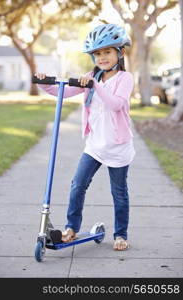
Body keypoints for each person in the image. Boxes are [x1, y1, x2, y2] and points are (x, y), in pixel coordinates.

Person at [35, 24, 135, 251]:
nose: (102, 57)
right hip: (95, 146)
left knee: (119, 193)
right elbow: (64, 92)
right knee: (77, 185)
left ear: (120, 52)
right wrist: (43, 82)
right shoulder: (92, 76)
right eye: (97, 54)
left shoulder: (124, 78)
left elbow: (116, 104)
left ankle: (120, 234)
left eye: (107, 52)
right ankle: (71, 228)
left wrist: (95, 85)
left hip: (118, 147)